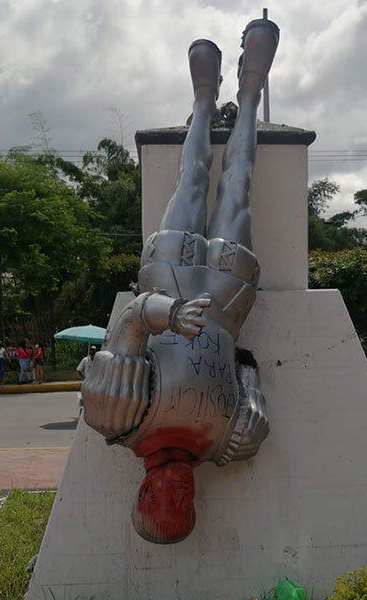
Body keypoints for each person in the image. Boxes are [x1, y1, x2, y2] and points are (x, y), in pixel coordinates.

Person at [80, 20, 278, 544]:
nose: (186, 493)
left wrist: (166, 314)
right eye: (189, 504)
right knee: (237, 187)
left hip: (169, 277)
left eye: (173, 499)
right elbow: (244, 369)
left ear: (145, 495)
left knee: (192, 180)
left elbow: (128, 320)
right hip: (227, 301)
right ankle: (252, 92)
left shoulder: (115, 418)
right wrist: (248, 411)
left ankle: (205, 98)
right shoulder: (228, 444)